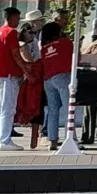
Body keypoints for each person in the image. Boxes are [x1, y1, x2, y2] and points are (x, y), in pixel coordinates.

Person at [0, 7, 26, 151]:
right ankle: (5, 140)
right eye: (18, 18)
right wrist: (25, 70)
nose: (18, 22)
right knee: (8, 109)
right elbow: (16, 54)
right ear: (12, 17)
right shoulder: (11, 32)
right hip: (9, 75)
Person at [32, 21, 74, 149]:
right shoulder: (65, 42)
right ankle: (71, 138)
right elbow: (76, 56)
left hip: (48, 79)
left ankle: (52, 140)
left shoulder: (44, 47)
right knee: (68, 109)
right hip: (63, 76)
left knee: (52, 110)